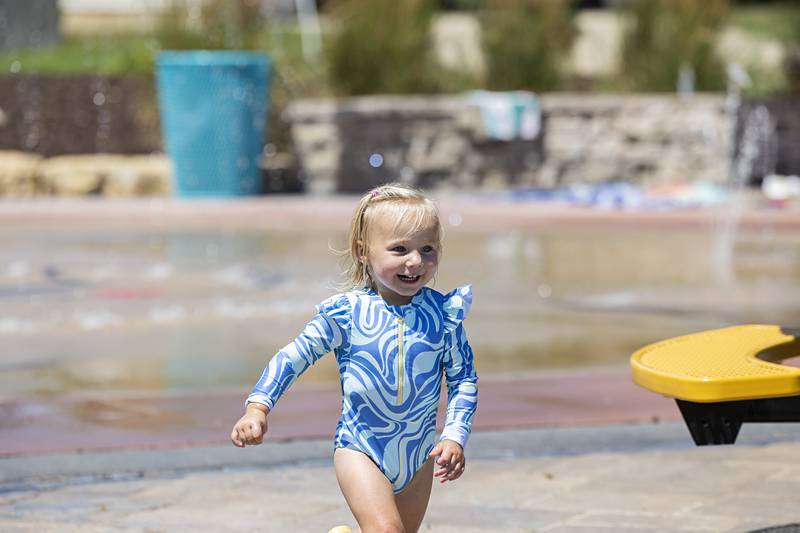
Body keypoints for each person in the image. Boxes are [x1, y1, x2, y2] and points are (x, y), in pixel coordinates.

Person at [230, 183, 478, 533]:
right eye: (399, 249)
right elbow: (293, 357)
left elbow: (463, 377)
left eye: (428, 249)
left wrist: (454, 435)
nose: (415, 261)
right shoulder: (347, 314)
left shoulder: (444, 315)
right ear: (362, 251)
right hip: (361, 447)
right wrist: (258, 407)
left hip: (419, 456)